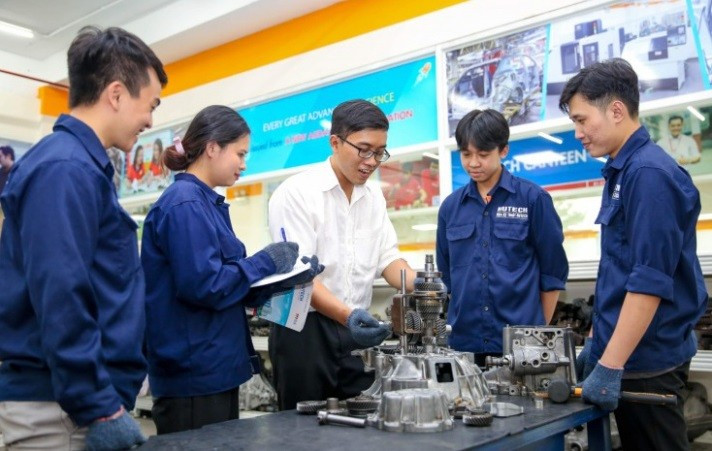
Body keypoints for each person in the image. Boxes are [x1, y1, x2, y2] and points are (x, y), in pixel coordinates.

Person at [0, 26, 167, 450]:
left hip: (74, 405)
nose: (151, 121)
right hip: (61, 411)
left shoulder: (81, 167)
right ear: (116, 94)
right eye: (150, 105)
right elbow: (60, 291)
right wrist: (99, 406)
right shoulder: (64, 169)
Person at [141, 105, 323, 434]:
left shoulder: (206, 204)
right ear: (212, 148)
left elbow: (228, 285)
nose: (244, 164)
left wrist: (287, 279)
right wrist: (265, 261)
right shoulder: (185, 204)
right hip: (194, 376)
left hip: (216, 368)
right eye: (240, 154)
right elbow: (205, 286)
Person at [559, 58, 707, 451]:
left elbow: (649, 281)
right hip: (631, 355)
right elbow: (618, 271)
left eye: (581, 120)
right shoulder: (623, 172)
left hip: (648, 360)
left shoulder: (648, 174)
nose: (577, 133)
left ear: (616, 110)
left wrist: (610, 364)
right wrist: (597, 341)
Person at [268, 99, 417, 410]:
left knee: (362, 419)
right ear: (335, 142)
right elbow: (299, 275)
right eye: (364, 150)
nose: (372, 161)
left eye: (380, 152)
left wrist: (423, 285)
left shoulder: (373, 197)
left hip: (355, 331)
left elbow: (388, 259)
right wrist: (348, 316)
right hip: (303, 331)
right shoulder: (296, 193)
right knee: (302, 427)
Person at [435, 109, 568, 366]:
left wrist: (537, 330)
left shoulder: (533, 199)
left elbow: (553, 273)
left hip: (521, 347)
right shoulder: (451, 208)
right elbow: (446, 276)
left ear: (503, 150)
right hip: (464, 345)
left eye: (483, 154)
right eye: (466, 154)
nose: (473, 163)